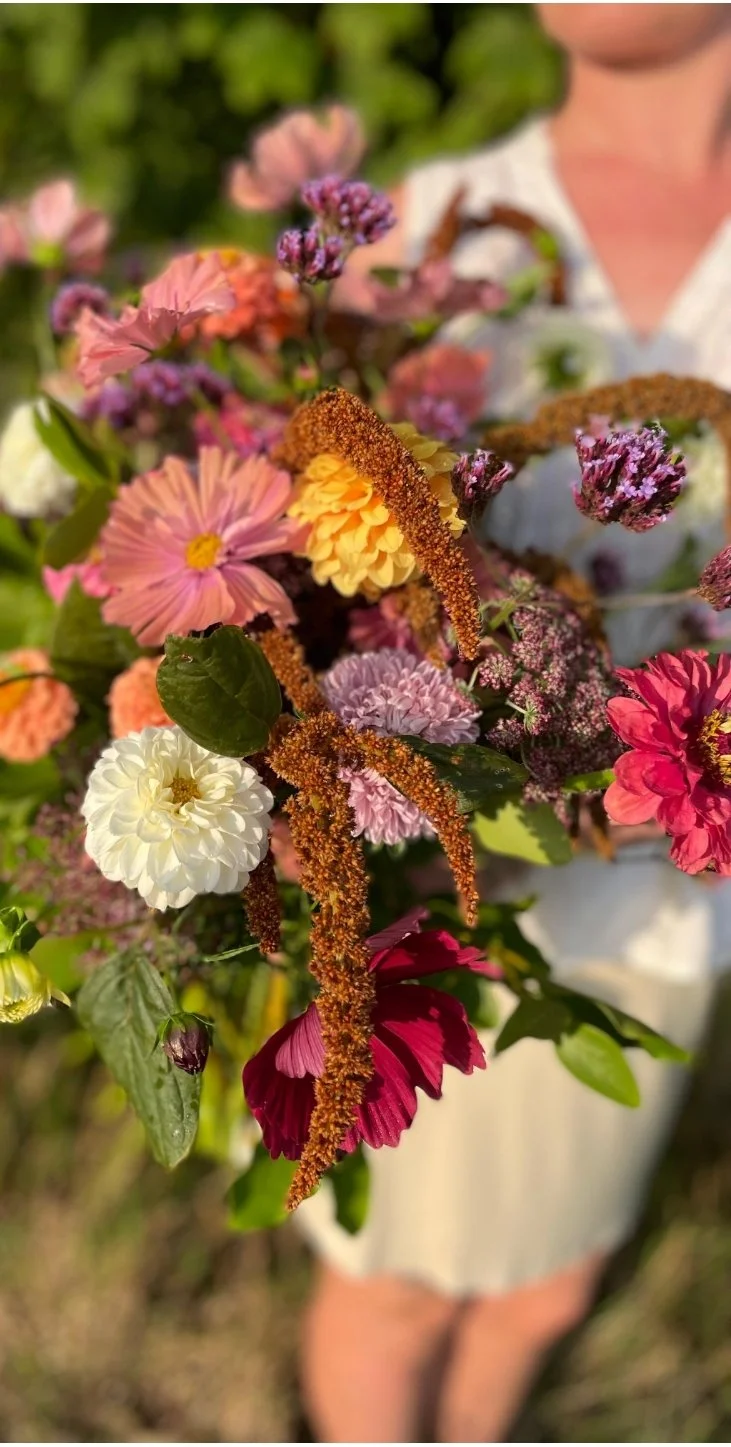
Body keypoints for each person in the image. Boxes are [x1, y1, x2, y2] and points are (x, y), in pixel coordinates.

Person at [297, 7, 731, 1440]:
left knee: (546, 1281)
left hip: (671, 897)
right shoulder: (431, 226)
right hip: (430, 895)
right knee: (401, 1277)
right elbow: (293, 537)